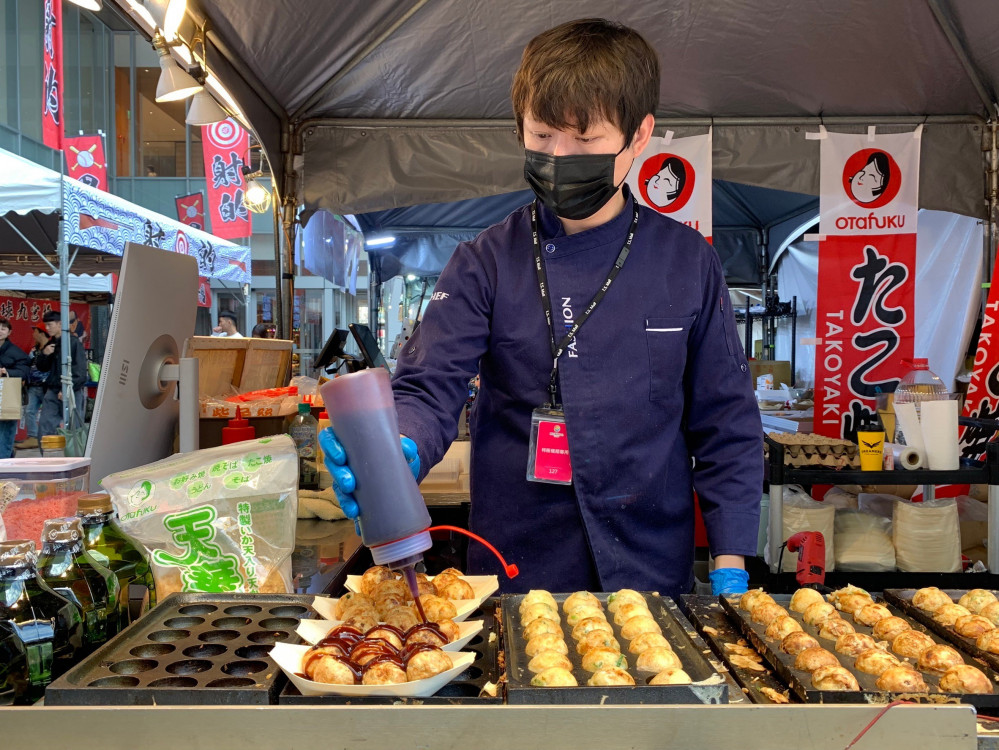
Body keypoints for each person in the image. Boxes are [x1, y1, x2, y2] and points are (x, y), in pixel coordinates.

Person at [322, 19, 762, 597]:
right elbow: (429, 385)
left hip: (651, 565)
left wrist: (731, 561)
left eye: (584, 141)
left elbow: (725, 422)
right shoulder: (484, 262)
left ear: (639, 134)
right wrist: (398, 443)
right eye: (542, 135)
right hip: (517, 564)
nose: (559, 156)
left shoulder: (687, 261)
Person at [36, 310, 88, 440]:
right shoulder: (50, 343)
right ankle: (48, 458)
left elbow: (81, 371)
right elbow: (42, 367)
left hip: (72, 390)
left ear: (60, 324)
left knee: (73, 428)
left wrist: (67, 388)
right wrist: (44, 354)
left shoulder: (73, 342)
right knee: (45, 426)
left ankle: (75, 457)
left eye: (50, 325)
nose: (47, 328)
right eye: (46, 325)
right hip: (52, 390)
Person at [14, 326, 48, 450]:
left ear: (41, 333)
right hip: (33, 386)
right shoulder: (34, 349)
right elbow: (28, 365)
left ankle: (47, 437)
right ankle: (33, 437)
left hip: (47, 387)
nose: (33, 334)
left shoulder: (51, 348)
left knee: (49, 413)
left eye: (35, 331)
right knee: (29, 411)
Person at [0, 317, 29, 458]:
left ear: (9, 332)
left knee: (6, 429)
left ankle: (4, 462)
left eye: (3, 328)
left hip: (8, 395)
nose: (0, 331)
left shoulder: (15, 352)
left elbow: (24, 371)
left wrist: (6, 372)